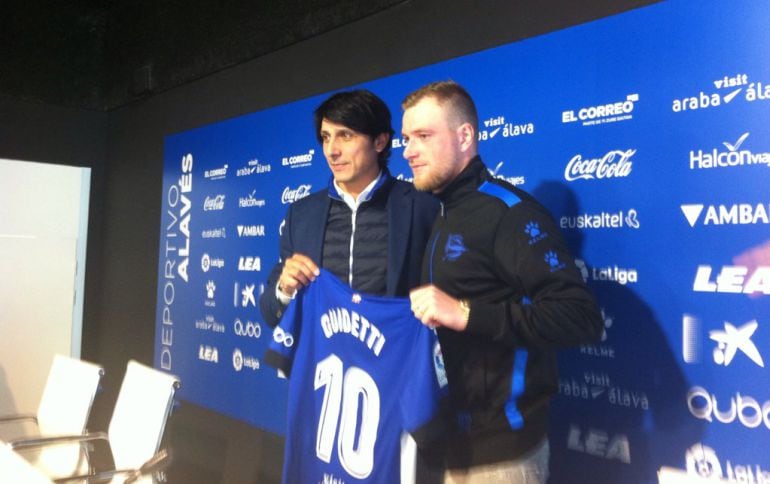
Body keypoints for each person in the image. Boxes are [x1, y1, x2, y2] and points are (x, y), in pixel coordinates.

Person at [401, 80, 604, 483]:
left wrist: (465, 313)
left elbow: (581, 318)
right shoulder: (443, 213)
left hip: (502, 456)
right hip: (450, 444)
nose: (408, 151)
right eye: (406, 138)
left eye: (423, 136)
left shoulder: (511, 214)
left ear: (465, 136)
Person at [259, 89, 438, 327]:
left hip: (397, 360)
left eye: (345, 135)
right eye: (325, 137)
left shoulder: (423, 206)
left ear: (380, 141)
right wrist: (284, 289)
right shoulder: (301, 214)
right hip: (323, 362)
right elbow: (271, 313)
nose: (332, 150)